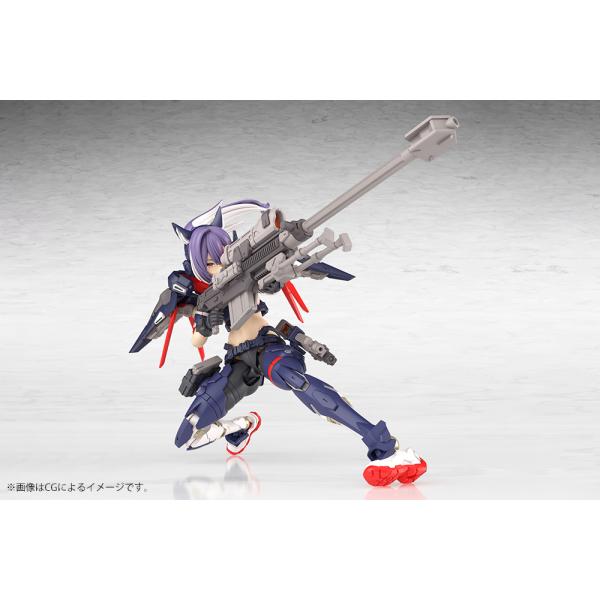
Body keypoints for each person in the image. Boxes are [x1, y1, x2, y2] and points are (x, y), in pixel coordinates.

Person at [131, 200, 426, 487]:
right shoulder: (205, 298)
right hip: (236, 360)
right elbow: (197, 340)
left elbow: (267, 275)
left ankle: (381, 443)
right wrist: (205, 324)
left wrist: (276, 276)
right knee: (188, 433)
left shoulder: (243, 273)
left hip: (266, 346)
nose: (217, 266)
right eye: (209, 262)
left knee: (297, 381)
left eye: (220, 257)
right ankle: (241, 427)